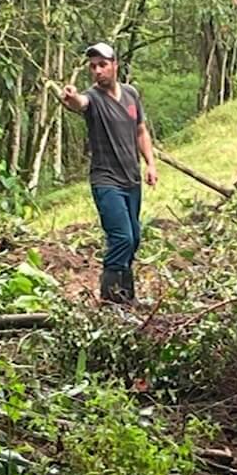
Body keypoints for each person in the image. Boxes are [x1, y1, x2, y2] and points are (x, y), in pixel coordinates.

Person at [59, 42, 157, 304]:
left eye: (102, 65)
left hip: (132, 179)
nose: (97, 71)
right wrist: (71, 98)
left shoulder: (131, 95)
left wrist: (150, 164)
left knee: (134, 238)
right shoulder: (94, 98)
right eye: (93, 67)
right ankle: (110, 298)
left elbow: (141, 131)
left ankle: (127, 297)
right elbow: (81, 103)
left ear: (115, 65)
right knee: (121, 237)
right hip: (106, 180)